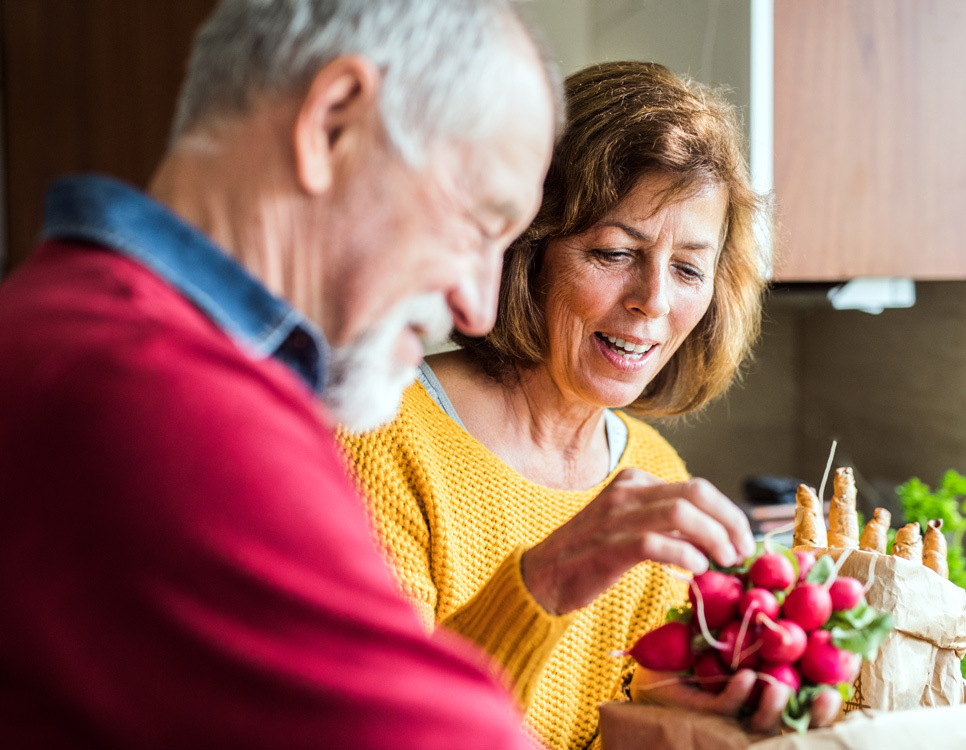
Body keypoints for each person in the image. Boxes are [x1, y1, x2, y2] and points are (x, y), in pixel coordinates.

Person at [0, 1, 561, 747]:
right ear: (332, 123)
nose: (479, 307)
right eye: (481, 225)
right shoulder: (161, 394)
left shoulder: (68, 320)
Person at [339, 61, 841, 750]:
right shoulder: (378, 435)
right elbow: (380, 730)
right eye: (612, 252)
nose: (654, 302)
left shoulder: (654, 472)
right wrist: (542, 584)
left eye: (689, 269)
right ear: (526, 251)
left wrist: (701, 711)